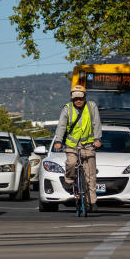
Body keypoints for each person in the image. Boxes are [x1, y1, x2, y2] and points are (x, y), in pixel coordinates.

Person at [53, 84, 102, 212]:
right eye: (75, 98)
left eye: (80, 98)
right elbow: (61, 126)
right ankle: (69, 181)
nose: (78, 100)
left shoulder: (92, 107)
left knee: (90, 174)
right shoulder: (67, 109)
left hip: (88, 144)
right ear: (71, 98)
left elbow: (96, 123)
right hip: (72, 145)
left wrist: (97, 139)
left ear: (85, 97)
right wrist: (58, 141)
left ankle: (92, 201)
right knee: (71, 163)